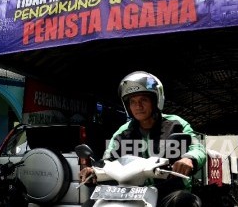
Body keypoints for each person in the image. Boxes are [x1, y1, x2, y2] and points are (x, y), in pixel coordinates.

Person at [79, 71, 206, 207]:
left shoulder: (175, 124)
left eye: (143, 100)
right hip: (132, 193)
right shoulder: (122, 133)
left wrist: (189, 158)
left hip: (168, 191)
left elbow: (197, 147)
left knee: (184, 201)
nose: (138, 106)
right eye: (132, 102)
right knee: (89, 204)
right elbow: (108, 159)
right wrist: (93, 171)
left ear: (156, 100)